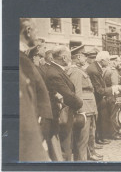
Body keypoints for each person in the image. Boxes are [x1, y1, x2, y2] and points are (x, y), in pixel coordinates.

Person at [19, 18, 51, 161]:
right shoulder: (21, 60)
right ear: (28, 30)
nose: (37, 35)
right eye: (36, 29)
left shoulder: (24, 58)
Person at [45, 45, 83, 161]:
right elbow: (68, 95)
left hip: (64, 113)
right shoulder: (55, 73)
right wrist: (80, 104)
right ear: (64, 58)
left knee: (66, 147)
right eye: (70, 57)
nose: (71, 59)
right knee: (64, 148)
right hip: (61, 115)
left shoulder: (56, 70)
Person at [66, 47, 102, 161]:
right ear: (78, 57)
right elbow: (77, 92)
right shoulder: (76, 71)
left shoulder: (79, 70)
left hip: (89, 106)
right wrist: (80, 110)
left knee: (88, 134)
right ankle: (82, 162)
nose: (86, 59)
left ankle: (86, 156)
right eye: (84, 56)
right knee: (82, 138)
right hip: (84, 107)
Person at [86, 51, 119, 145]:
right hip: (96, 99)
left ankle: (99, 138)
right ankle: (97, 139)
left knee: (100, 119)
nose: (109, 61)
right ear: (102, 60)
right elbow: (99, 90)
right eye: (108, 60)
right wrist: (112, 89)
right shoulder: (94, 70)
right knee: (97, 120)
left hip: (98, 98)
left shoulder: (96, 67)